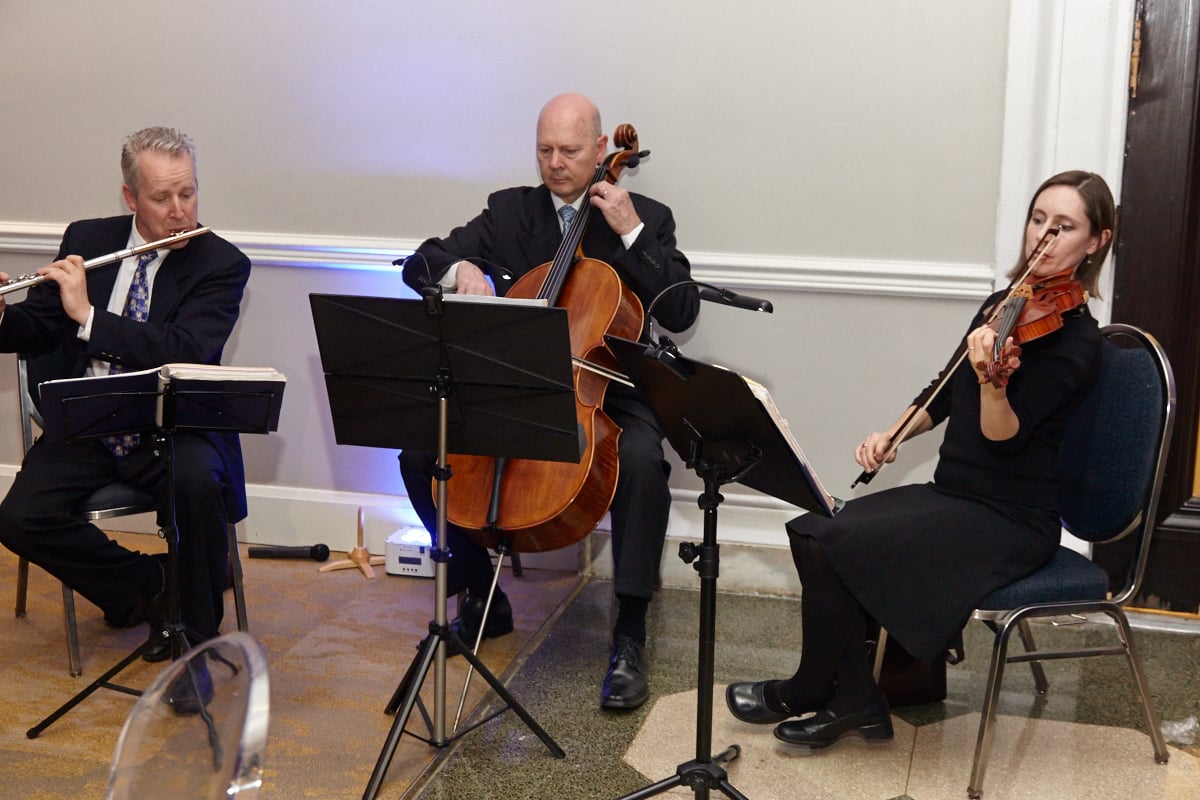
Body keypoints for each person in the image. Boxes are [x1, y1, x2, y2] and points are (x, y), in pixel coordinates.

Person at [725, 170, 1114, 747]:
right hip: (953, 493)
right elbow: (944, 389)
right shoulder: (1003, 306)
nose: (1044, 238)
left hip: (1009, 517)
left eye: (1064, 227)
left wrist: (993, 382)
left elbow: (1003, 435)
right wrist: (893, 433)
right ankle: (856, 699)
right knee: (815, 529)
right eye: (1038, 221)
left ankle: (813, 688)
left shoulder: (1078, 338)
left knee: (831, 541)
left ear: (1096, 242)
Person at [399, 93, 699, 710]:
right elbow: (422, 260)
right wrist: (461, 271)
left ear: (599, 151)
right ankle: (481, 593)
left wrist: (631, 231)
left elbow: (680, 310)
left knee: (642, 461)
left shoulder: (647, 215)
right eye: (545, 150)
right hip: (523, 384)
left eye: (569, 151)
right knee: (417, 452)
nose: (556, 164)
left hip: (609, 388)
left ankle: (630, 632)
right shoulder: (510, 212)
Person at [0, 127, 250, 663]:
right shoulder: (88, 240)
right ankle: (154, 586)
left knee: (198, 486)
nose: (180, 211)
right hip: (91, 420)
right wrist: (3, 316)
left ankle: (195, 645)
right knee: (20, 518)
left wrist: (89, 317)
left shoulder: (221, 264)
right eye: (162, 198)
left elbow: (183, 348)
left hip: (172, 422)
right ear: (131, 197)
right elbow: (39, 326)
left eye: (189, 193)